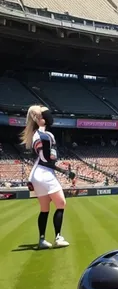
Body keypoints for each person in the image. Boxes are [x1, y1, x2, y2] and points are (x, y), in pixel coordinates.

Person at [21, 105, 70, 249]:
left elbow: (45, 159)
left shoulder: (36, 134)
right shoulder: (45, 135)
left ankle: (42, 240)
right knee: (61, 203)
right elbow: (48, 159)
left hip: (37, 173)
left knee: (44, 209)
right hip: (45, 172)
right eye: (44, 115)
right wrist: (63, 170)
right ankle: (58, 237)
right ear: (39, 119)